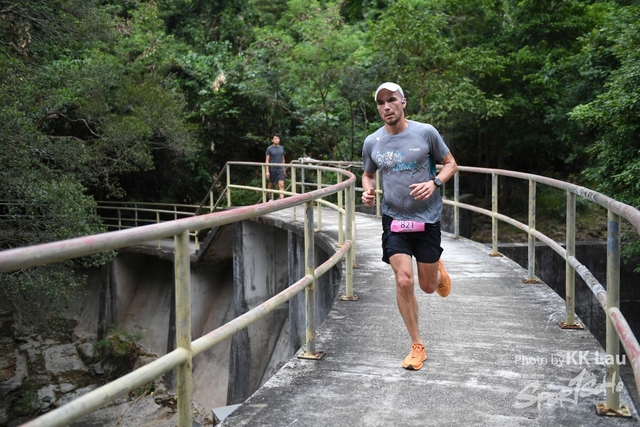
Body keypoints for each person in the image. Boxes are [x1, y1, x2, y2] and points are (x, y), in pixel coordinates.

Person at [361, 82, 458, 371]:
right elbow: (368, 174)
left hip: (426, 219)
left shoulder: (425, 133)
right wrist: (367, 189)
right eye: (381, 103)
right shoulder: (372, 142)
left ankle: (436, 269)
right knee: (404, 281)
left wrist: (434, 182)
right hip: (394, 220)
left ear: (403, 102)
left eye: (391, 100)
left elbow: (451, 164)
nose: (386, 107)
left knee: (427, 287)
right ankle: (417, 345)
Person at [265, 133, 286, 200]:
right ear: (272, 140)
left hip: (280, 169)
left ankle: (281, 199)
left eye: (278, 138)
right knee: (271, 184)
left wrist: (284, 169)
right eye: (275, 139)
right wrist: (267, 171)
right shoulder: (269, 149)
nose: (277, 140)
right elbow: (267, 160)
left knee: (281, 184)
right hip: (272, 169)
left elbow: (283, 159)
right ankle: (270, 197)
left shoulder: (281, 148)